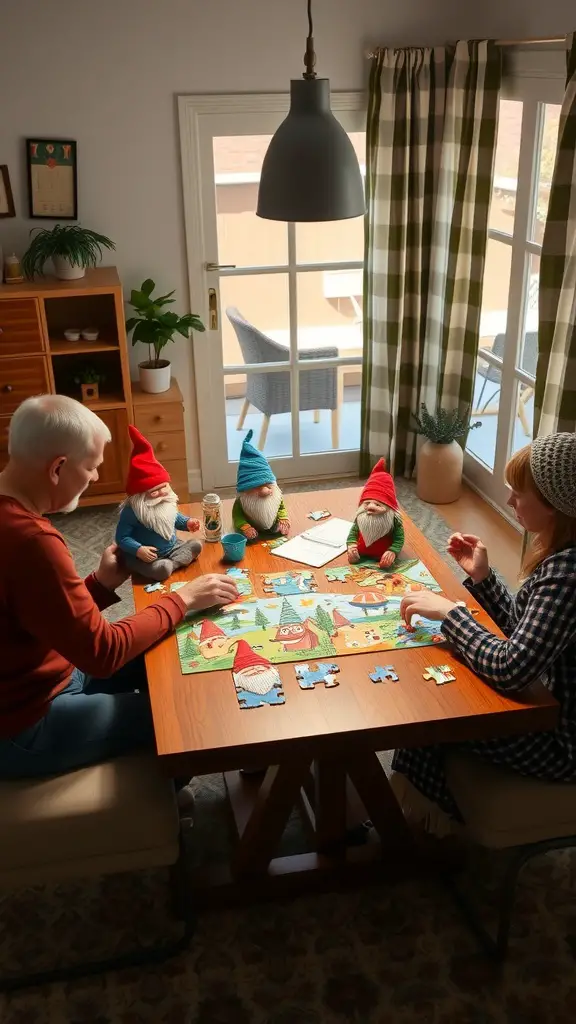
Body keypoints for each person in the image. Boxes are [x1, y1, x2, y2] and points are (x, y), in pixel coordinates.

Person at [0, 395, 239, 780]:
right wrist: (183, 599)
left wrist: (98, 584)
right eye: (92, 467)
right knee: (178, 711)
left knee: (171, 662)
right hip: (24, 724)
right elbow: (103, 653)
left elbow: (34, 612)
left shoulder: (12, 516)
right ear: (58, 468)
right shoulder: (32, 541)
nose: (94, 477)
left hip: (50, 672)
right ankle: (173, 803)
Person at [391, 433, 576, 833]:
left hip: (562, 745)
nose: (510, 502)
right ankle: (413, 820)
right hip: (550, 711)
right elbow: (527, 634)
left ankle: (414, 829)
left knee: (431, 711)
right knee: (440, 685)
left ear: (555, 507)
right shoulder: (563, 558)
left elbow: (512, 667)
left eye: (519, 494)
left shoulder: (567, 577)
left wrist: (451, 615)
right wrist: (484, 578)